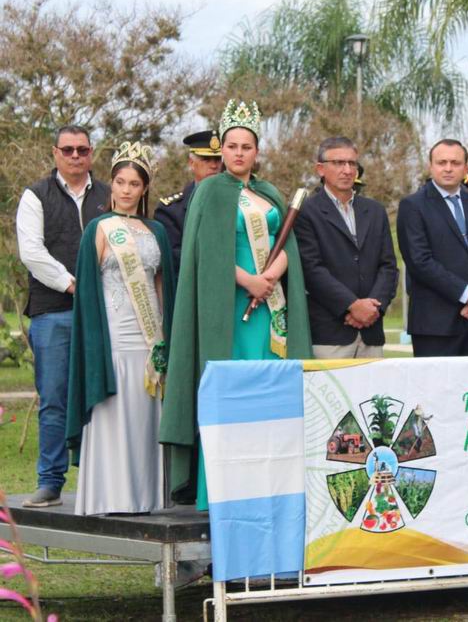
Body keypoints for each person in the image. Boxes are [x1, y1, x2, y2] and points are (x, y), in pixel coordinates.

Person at [159, 100, 312, 509]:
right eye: (232, 146)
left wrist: (269, 278)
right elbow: (205, 254)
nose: (240, 152)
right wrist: (249, 281)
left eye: (247, 146)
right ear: (221, 151)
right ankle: (222, 493)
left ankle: (268, 489)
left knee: (267, 392)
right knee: (233, 394)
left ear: (257, 152)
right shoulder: (209, 191)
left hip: (268, 311)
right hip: (227, 312)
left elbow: (288, 248)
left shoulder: (269, 193)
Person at [66, 141, 175, 515]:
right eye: (120, 182)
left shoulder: (156, 231)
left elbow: (161, 286)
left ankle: (143, 496)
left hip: (147, 338)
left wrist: (163, 339)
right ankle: (109, 495)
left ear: (144, 189)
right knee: (113, 413)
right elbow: (88, 291)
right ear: (110, 184)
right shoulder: (98, 229)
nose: (127, 190)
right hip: (111, 335)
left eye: (135, 184)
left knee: (143, 416)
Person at [15, 125, 109, 508]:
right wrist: (75, 286)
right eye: (67, 149)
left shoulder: (110, 194)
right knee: (54, 397)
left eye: (82, 149)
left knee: (102, 397)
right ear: (55, 153)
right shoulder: (35, 196)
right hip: (54, 312)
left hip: (106, 314)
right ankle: (50, 481)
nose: (75, 156)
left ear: (91, 153)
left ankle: (99, 478)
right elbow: (32, 254)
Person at [397, 139, 468, 357]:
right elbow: (420, 261)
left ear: (465, 168)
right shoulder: (413, 206)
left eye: (455, 163)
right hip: (436, 328)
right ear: (431, 166)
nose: (448, 168)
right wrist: (467, 295)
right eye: (442, 162)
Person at [294, 137, 398, 359]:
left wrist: (374, 309)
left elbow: (388, 266)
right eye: (339, 163)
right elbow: (311, 269)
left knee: (373, 395)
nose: (347, 170)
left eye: (352, 163)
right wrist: (351, 306)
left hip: (371, 333)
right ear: (320, 169)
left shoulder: (375, 211)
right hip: (330, 334)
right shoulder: (305, 212)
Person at [153, 130, 223, 273]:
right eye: (206, 159)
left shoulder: (238, 202)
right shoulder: (170, 210)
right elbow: (174, 258)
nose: (214, 166)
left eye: (217, 159)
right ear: (191, 163)